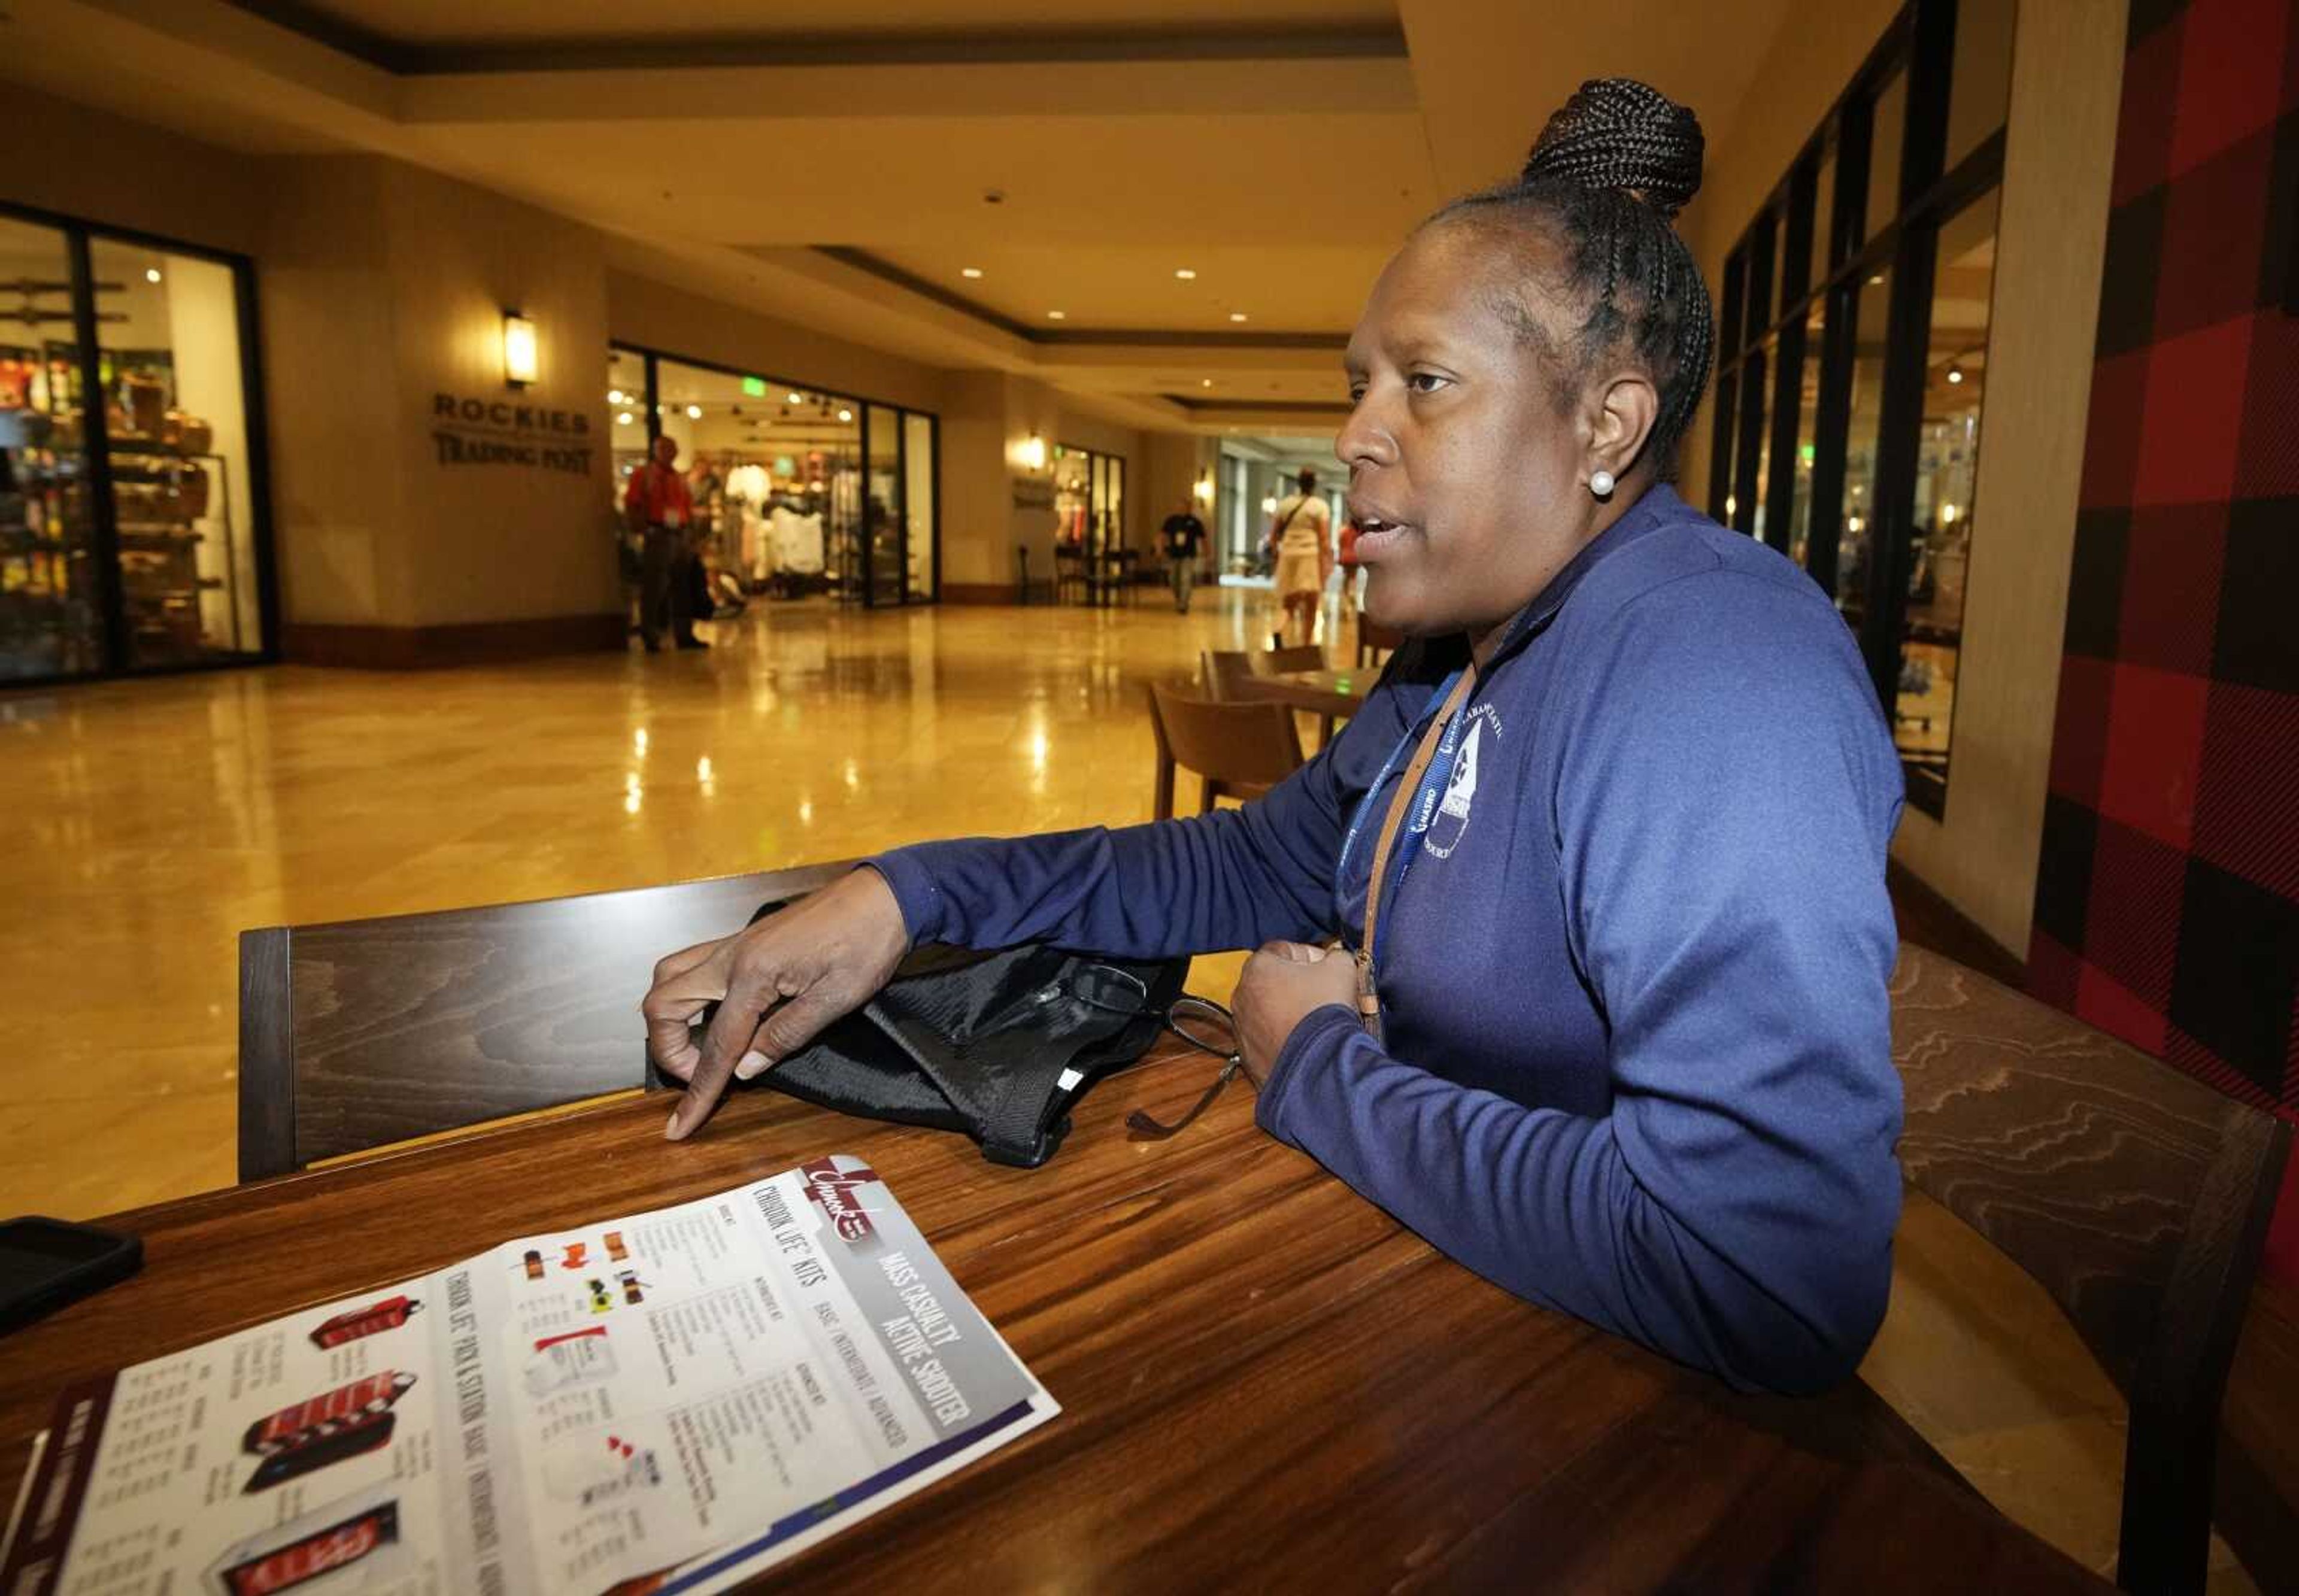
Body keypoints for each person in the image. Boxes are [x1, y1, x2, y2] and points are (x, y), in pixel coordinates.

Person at [642, 80, 1904, 1396]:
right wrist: (909, 890)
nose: (1356, 435)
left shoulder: (1716, 673)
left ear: (1607, 426)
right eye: (1360, 387)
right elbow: (1245, 867)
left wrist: (1316, 1064)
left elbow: (1764, 1276)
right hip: (1418, 1313)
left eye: (1423, 384)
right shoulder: (1454, 657)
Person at [624, 435, 706, 651]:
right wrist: (643, 528)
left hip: (678, 533)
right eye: (663, 449)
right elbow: (633, 503)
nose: (668, 453)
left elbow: (686, 506)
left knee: (683, 587)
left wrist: (690, 534)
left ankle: (684, 634)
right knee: (655, 586)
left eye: (671, 449)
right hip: (658, 533)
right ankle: (650, 634)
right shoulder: (645, 475)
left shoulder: (678, 478)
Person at [1267, 468, 1332, 646]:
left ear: (1298, 483)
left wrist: (1277, 558)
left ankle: (1278, 629)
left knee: (1288, 604)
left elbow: (1273, 538)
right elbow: (1324, 539)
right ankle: (1306, 645)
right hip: (1309, 556)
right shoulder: (1320, 506)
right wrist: (1328, 561)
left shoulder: (1285, 504)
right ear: (1314, 485)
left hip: (1288, 556)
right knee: (1311, 605)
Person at [1161, 499, 1207, 613]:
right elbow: (1162, 535)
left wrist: (1207, 552)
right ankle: (1179, 599)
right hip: (1174, 555)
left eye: (1184, 507)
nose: (1182, 509)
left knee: (1186, 579)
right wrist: (1160, 549)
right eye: (1179, 506)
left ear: (1189, 508)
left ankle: (1183, 604)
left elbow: (1203, 539)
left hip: (1189, 555)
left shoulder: (1195, 522)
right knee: (1173, 579)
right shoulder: (1171, 521)